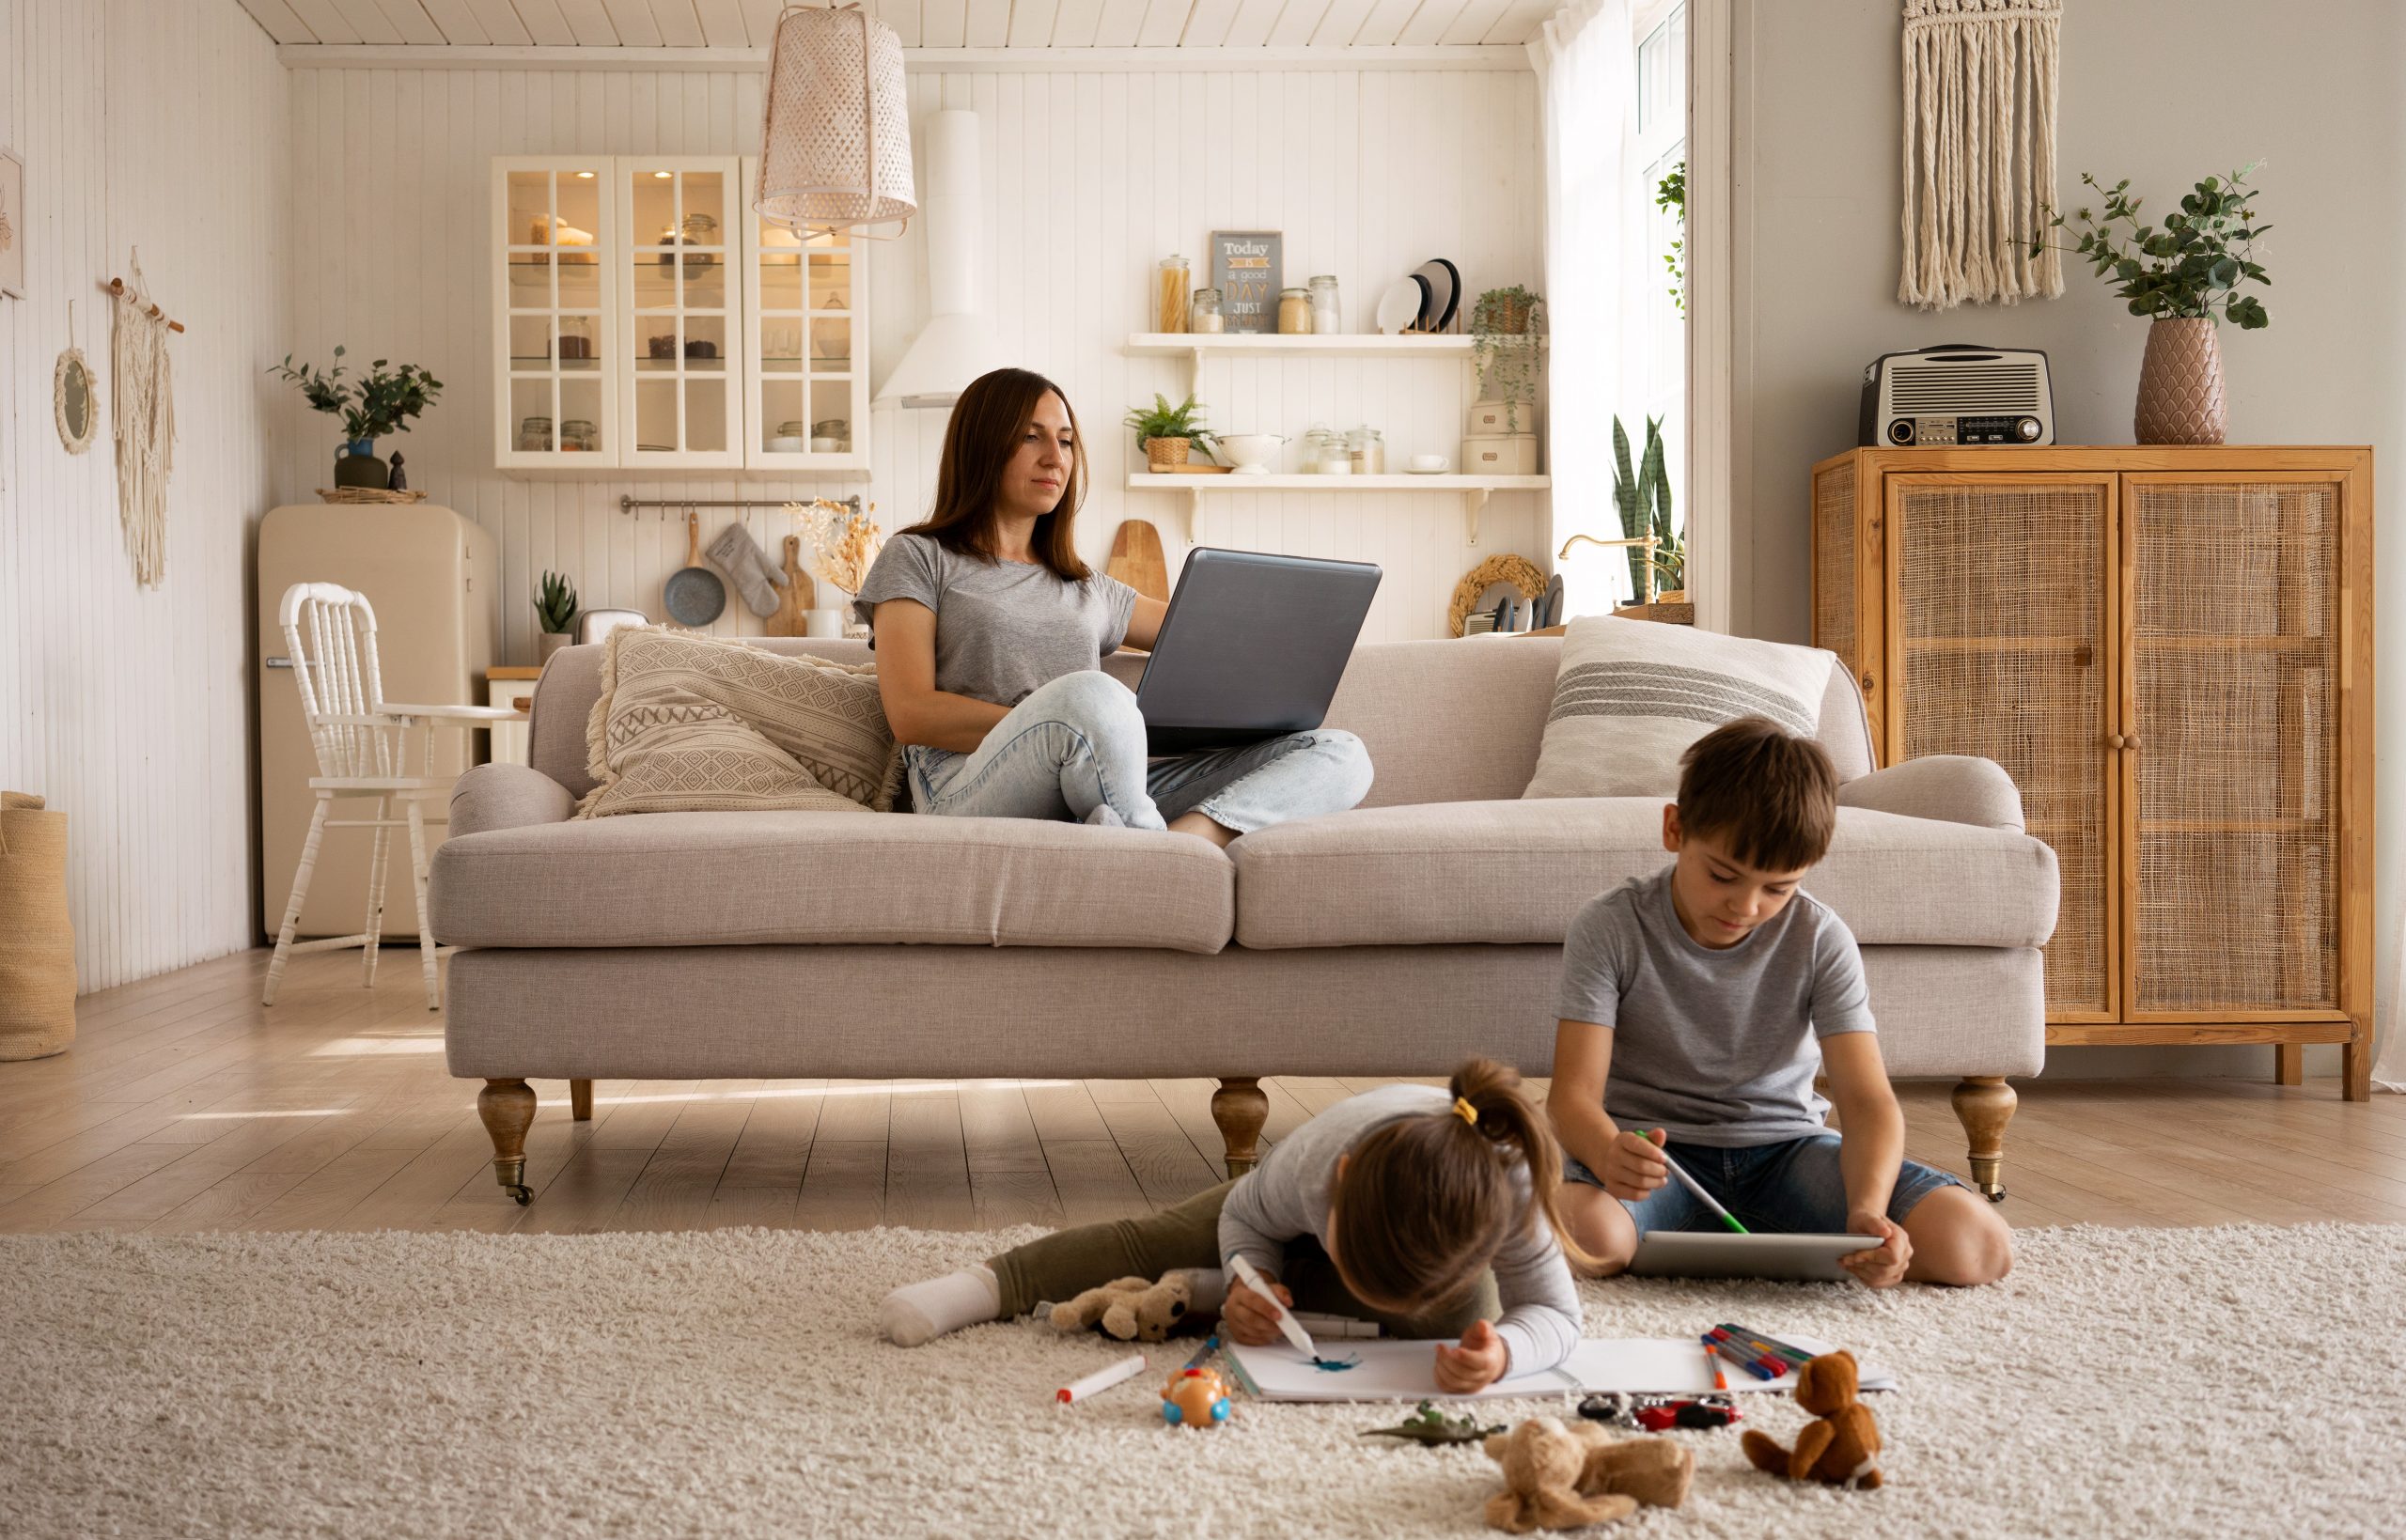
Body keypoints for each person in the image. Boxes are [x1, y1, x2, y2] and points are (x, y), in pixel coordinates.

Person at [1547, 716, 2014, 1288]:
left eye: (1777, 888)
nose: (1744, 907)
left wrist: (1866, 1211)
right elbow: (1571, 1097)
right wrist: (1604, 1153)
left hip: (1788, 1154)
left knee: (1980, 1247)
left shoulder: (1820, 937)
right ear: (1674, 829)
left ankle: (1712, 1244)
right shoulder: (1610, 925)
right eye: (1723, 875)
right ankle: (1694, 1236)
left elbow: (1868, 1102)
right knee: (1585, 1240)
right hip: (1657, 1166)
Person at [852, 366, 1373, 845]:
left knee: (1341, 754)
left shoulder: (1085, 585)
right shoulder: (919, 557)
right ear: (982, 445)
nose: (1056, 458)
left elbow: (1208, 633)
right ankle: (1149, 851)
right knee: (1094, 695)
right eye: (1031, 436)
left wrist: (1303, 627)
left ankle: (1187, 841)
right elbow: (911, 713)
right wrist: (1062, 724)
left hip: (1101, 778)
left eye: (1065, 441)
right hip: (967, 785)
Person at [880, 1060, 1592, 1392]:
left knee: (1467, 1319)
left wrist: (1503, 1354)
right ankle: (986, 1283)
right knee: (1155, 1238)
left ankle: (1206, 1293)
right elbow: (1245, 1217)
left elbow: (1558, 1315)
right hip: (1267, 1211)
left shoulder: (1511, 1191)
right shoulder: (1314, 1163)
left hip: (1414, 1259)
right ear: (1340, 1184)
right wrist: (1257, 1274)